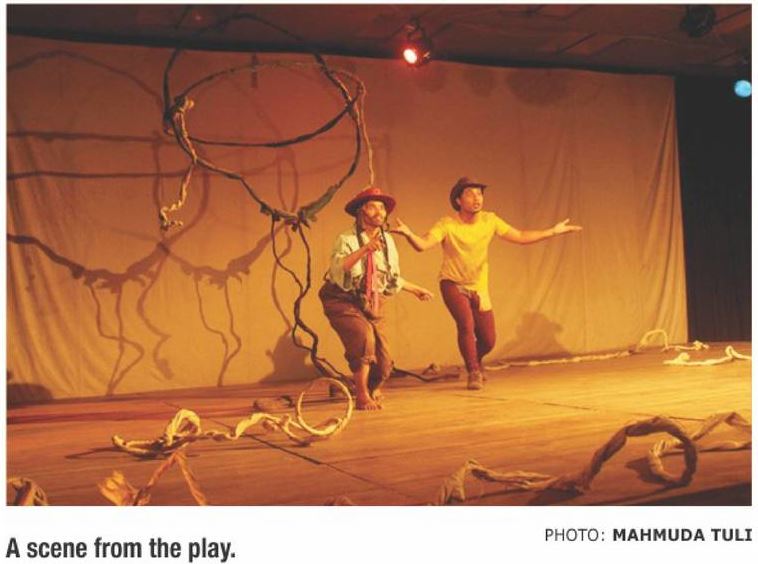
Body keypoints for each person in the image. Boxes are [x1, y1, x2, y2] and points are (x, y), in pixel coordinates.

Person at [392, 177, 582, 390]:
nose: (477, 198)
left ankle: (474, 360)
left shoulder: (489, 220)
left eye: (480, 194)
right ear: (458, 200)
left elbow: (520, 236)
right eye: (470, 194)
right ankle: (473, 371)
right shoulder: (447, 224)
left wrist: (553, 231)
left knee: (488, 340)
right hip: (452, 283)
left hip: (479, 287)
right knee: (466, 325)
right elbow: (423, 244)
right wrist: (409, 234)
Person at [319, 187, 434, 410]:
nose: (380, 212)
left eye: (382, 207)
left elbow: (389, 277)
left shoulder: (387, 240)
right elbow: (339, 268)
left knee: (383, 363)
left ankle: (362, 386)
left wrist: (415, 289)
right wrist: (365, 249)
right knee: (364, 339)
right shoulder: (346, 238)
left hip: (373, 300)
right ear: (361, 211)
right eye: (373, 206)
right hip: (342, 299)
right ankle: (362, 395)